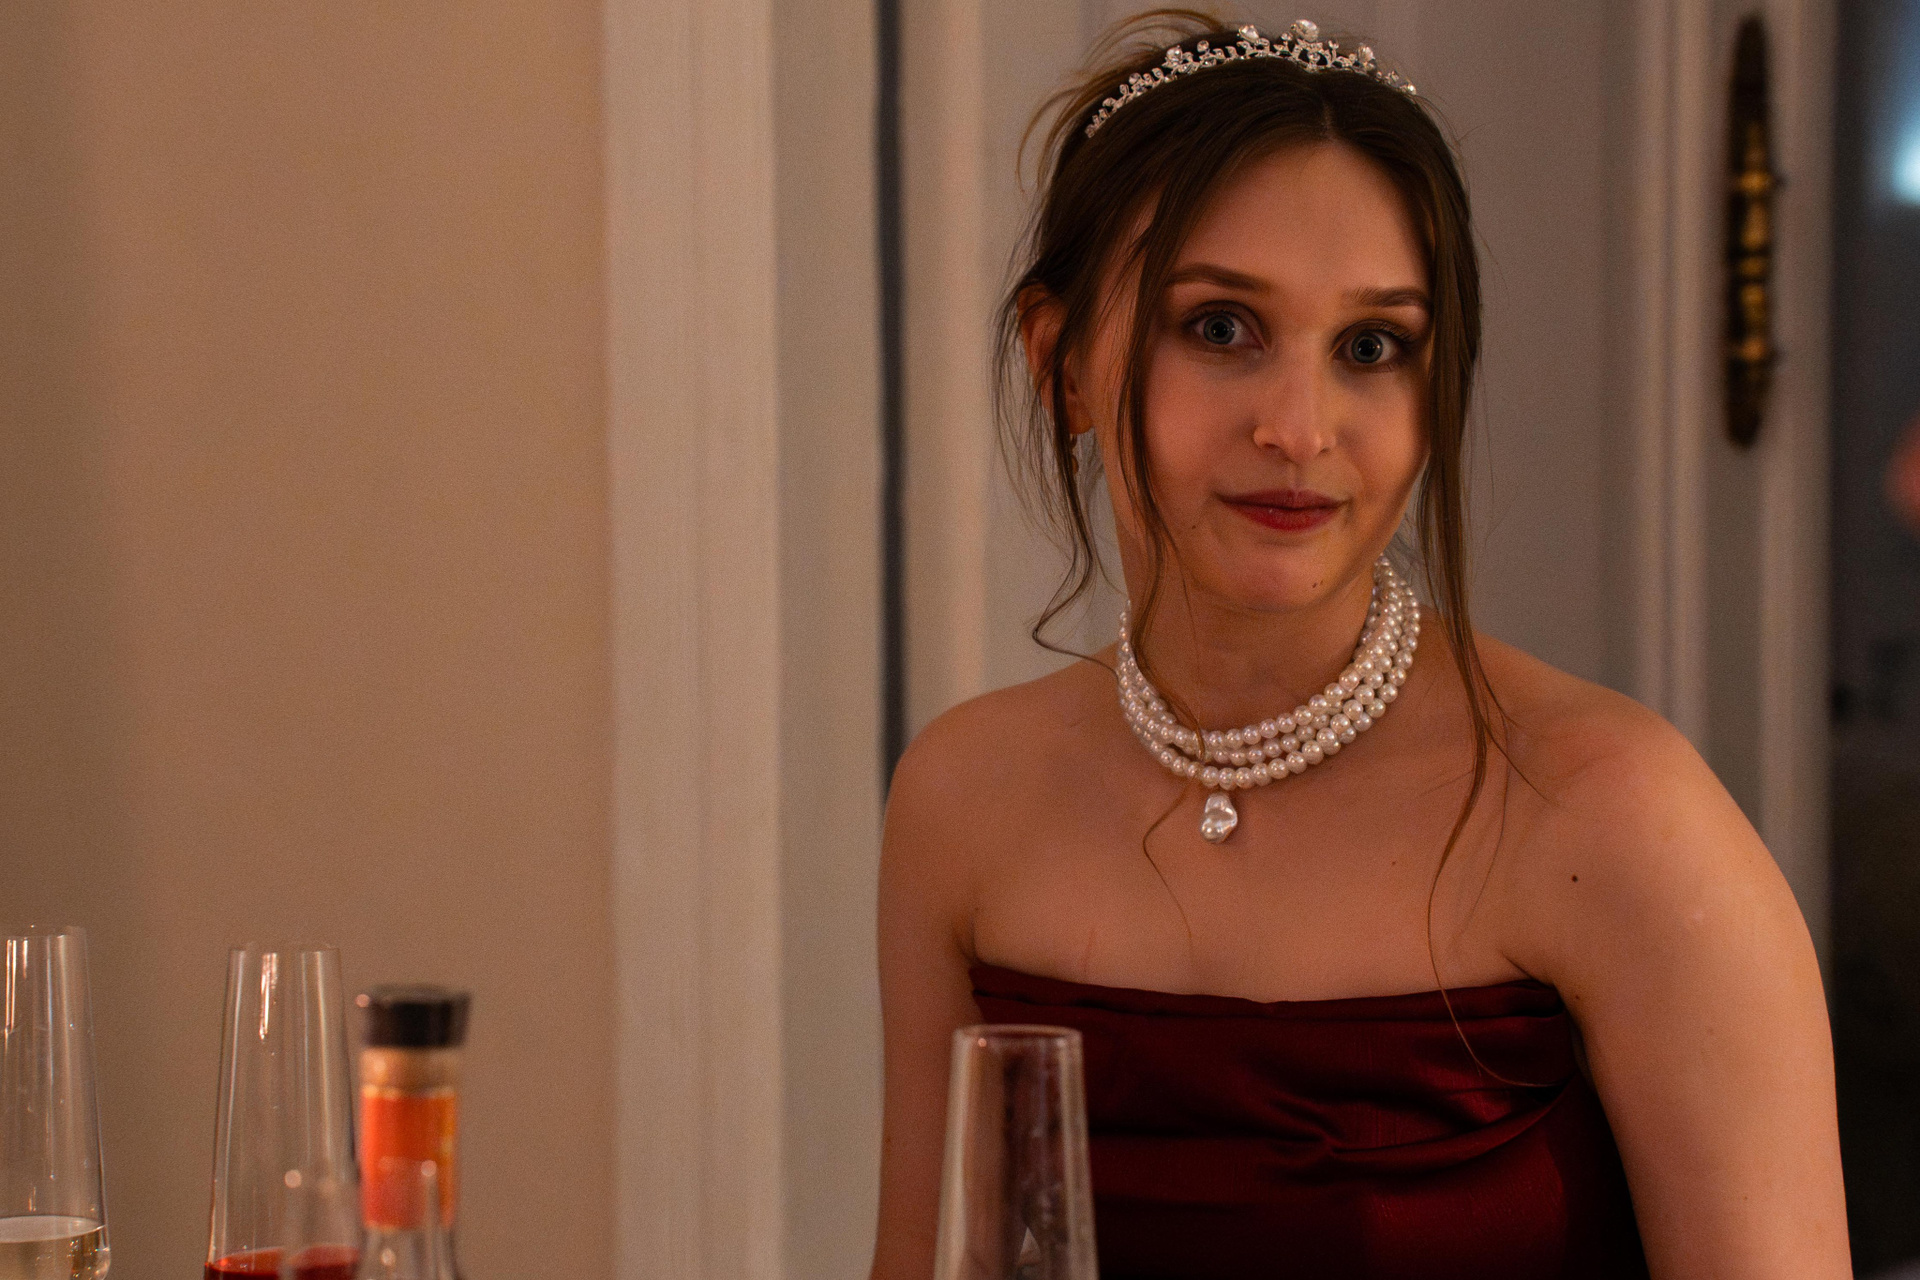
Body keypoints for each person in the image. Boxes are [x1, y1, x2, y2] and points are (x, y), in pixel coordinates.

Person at [871, 11, 1849, 1279]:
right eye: (1221, 327)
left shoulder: (1617, 816)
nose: (1301, 426)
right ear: (1061, 361)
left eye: (1372, 346)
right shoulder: (962, 802)